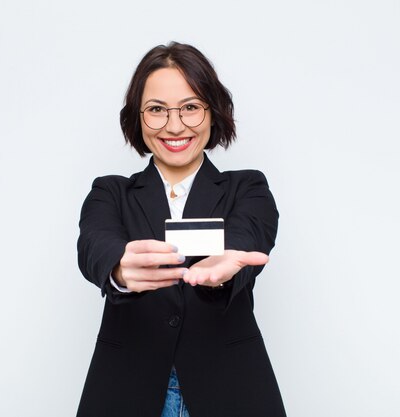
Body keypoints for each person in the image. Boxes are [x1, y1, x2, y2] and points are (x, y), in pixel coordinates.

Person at [76, 42, 286, 417]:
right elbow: (95, 243)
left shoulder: (248, 187)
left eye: (190, 107)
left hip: (230, 390)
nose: (174, 126)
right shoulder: (110, 192)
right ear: (138, 117)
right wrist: (121, 270)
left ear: (213, 112)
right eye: (157, 110)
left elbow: (249, 232)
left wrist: (224, 267)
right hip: (127, 390)